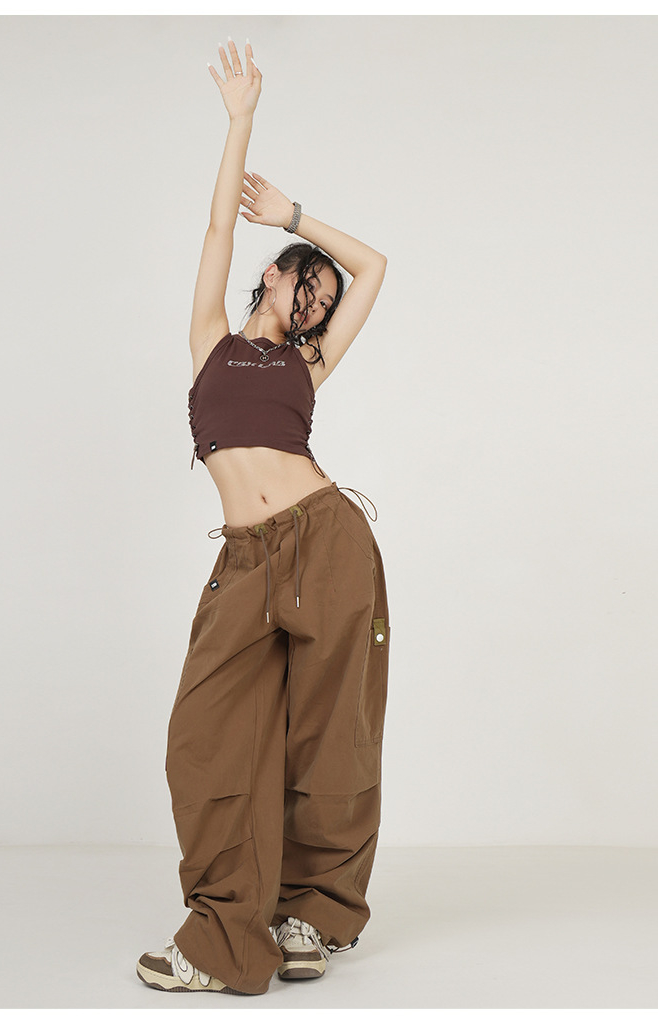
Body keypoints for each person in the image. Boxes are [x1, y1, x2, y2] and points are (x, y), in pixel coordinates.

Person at [136, 37, 390, 997]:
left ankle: (309, 916)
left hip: (328, 539)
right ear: (274, 277)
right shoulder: (211, 342)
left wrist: (298, 213)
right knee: (204, 733)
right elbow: (215, 231)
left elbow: (375, 268)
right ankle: (222, 934)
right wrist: (241, 122)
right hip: (245, 558)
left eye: (324, 302)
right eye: (307, 283)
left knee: (330, 732)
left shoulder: (307, 367)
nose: (319, 303)